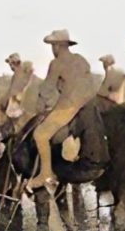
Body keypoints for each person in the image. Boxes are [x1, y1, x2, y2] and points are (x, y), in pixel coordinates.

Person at [25, 30, 94, 192]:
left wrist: (40, 105)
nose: (52, 49)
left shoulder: (56, 63)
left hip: (68, 105)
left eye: (52, 46)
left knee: (40, 134)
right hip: (89, 104)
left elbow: (47, 88)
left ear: (57, 46)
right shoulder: (81, 60)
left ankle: (46, 174)